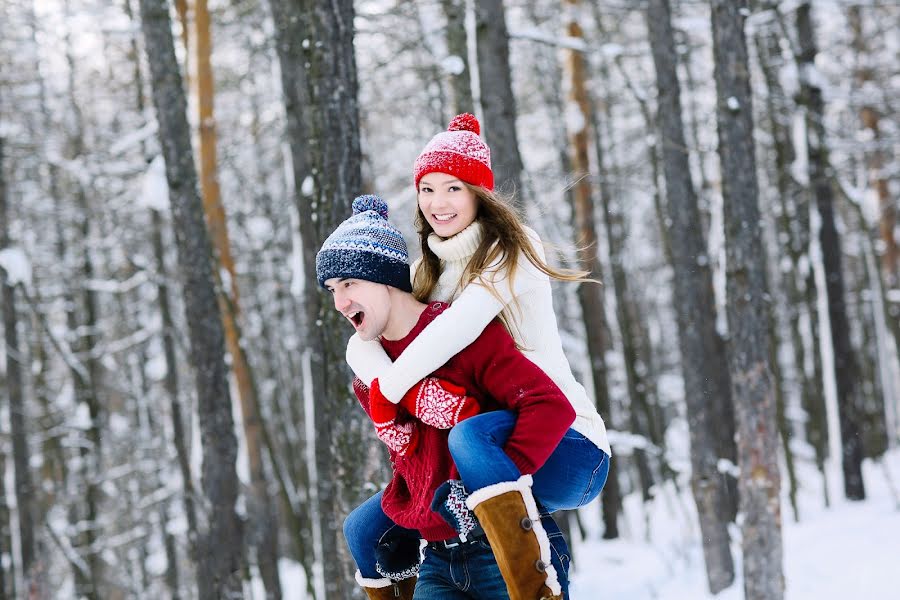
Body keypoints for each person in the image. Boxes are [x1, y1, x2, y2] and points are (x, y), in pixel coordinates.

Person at [346, 114, 612, 599]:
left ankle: (536, 590)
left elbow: (460, 327)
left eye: (453, 188)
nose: (437, 203)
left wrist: (395, 390)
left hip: (564, 441)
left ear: (479, 193)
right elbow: (361, 336)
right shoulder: (427, 270)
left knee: (466, 436)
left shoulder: (511, 248)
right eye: (427, 189)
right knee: (366, 530)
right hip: (488, 456)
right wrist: (397, 396)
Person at [316, 195, 574, 599]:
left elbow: (551, 407)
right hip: (437, 560)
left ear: (386, 279)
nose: (339, 302)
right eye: (332, 289)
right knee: (359, 528)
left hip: (501, 550)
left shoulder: (461, 336)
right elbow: (415, 465)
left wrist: (490, 490)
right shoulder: (369, 376)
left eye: (349, 283)